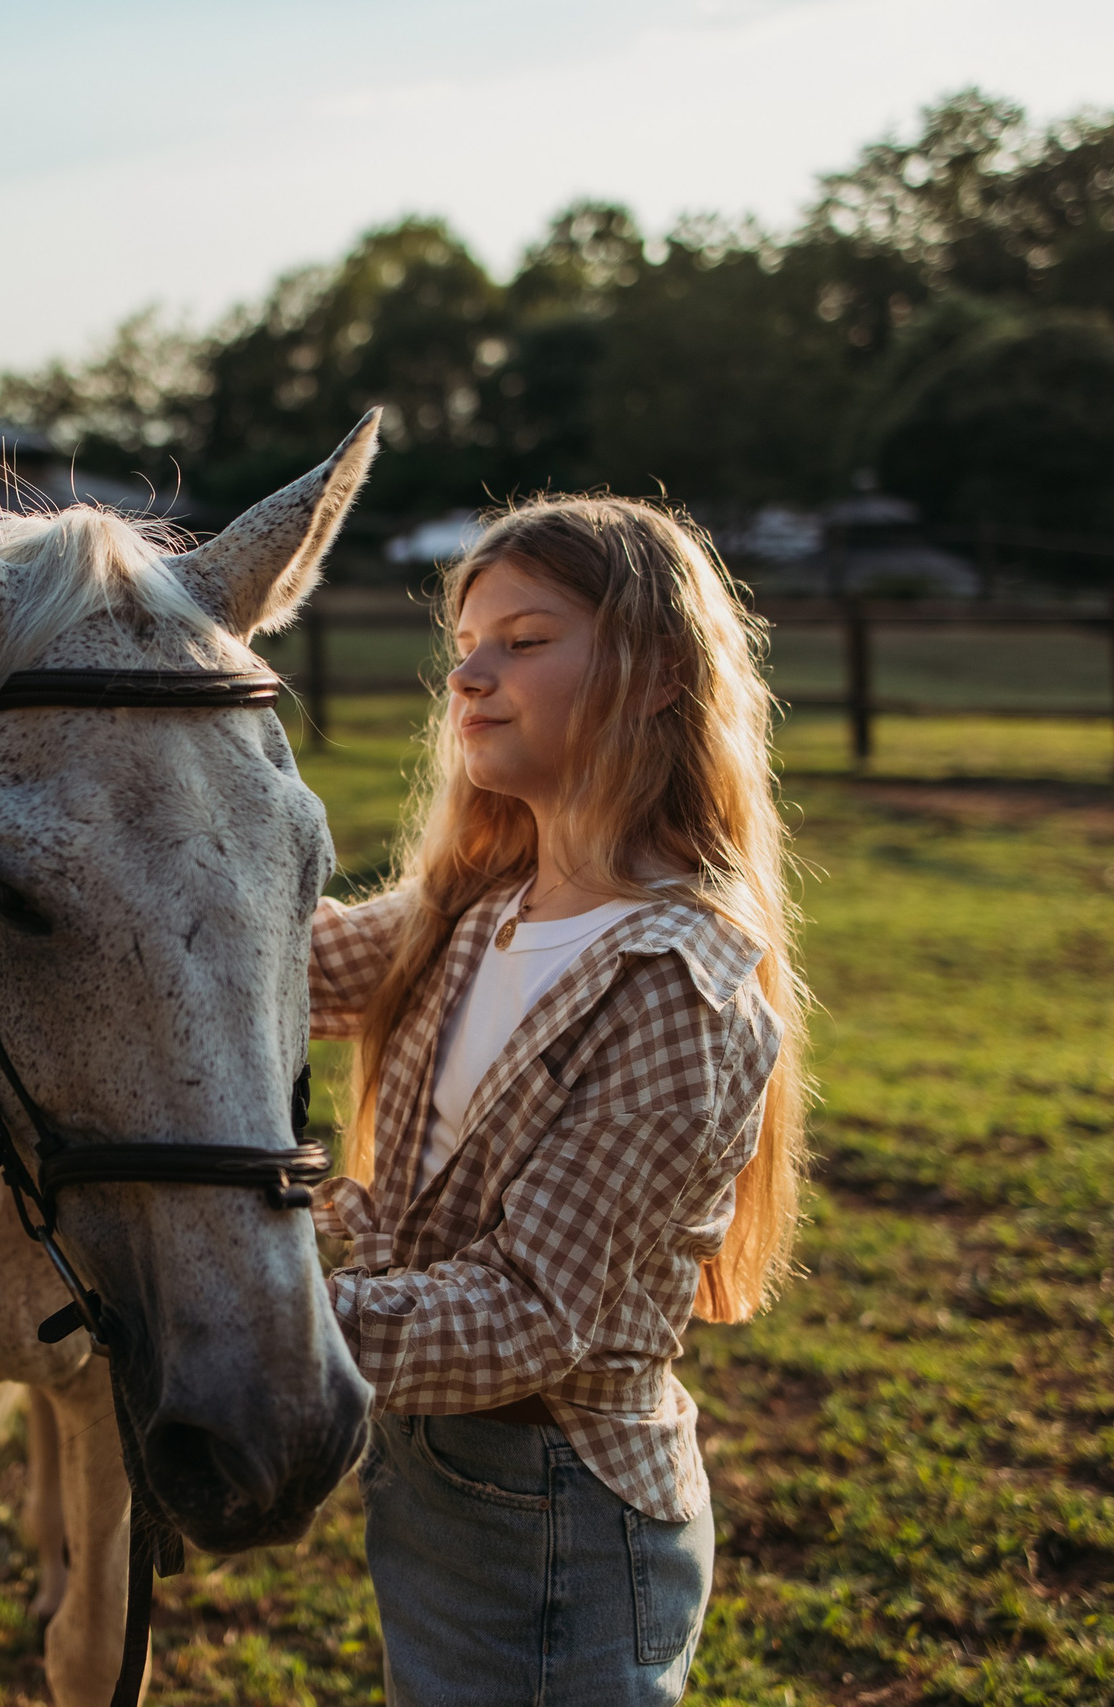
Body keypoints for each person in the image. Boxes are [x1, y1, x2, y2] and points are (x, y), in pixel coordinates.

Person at [308, 495, 810, 1705]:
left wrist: (260, 1311)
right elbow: (285, 963)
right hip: (435, 1463)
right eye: (464, 649)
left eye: (524, 642)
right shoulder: (477, 911)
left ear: (655, 677)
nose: (470, 678)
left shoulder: (678, 987)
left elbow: (525, 1314)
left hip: (555, 1507)